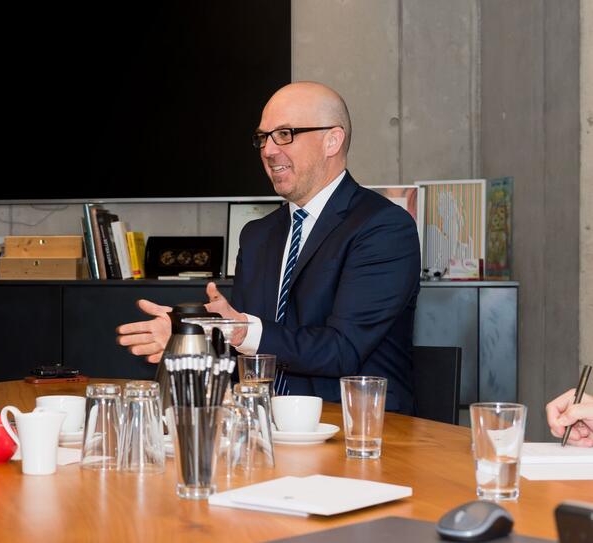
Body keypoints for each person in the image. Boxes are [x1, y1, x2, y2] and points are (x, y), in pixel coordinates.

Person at [117, 81, 421, 413]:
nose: (268, 150)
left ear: (332, 140)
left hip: (356, 431)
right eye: (263, 137)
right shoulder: (257, 235)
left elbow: (341, 350)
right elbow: (245, 344)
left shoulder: (382, 227)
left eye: (285, 134)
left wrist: (240, 330)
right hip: (261, 426)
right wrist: (190, 342)